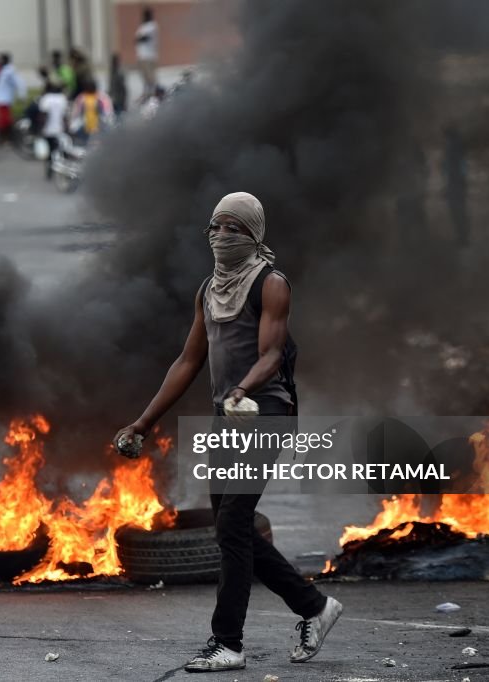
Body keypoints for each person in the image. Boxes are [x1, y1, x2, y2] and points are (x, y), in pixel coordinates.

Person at [113, 193, 343, 673]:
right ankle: (314, 607)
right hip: (227, 418)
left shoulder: (270, 283)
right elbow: (189, 360)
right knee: (230, 527)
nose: (221, 236)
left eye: (233, 228)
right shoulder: (209, 288)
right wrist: (143, 421)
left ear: (254, 233)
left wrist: (243, 388)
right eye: (216, 227)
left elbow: (272, 354)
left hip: (265, 412)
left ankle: (228, 643)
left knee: (233, 525)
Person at [38, 81, 68, 180]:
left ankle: (50, 171)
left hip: (48, 130)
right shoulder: (62, 98)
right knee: (60, 150)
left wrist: (42, 128)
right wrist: (66, 127)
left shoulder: (46, 99)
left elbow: (44, 115)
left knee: (50, 151)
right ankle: (62, 170)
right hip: (59, 129)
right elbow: (64, 116)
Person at [0, 52, 25, 141]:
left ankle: (9, 137)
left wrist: (22, 95)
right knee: (0, 121)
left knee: (4, 121)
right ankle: (5, 137)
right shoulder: (3, 70)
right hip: (0, 99)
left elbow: (20, 83)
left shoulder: (10, 71)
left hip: (4, 100)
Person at [69, 79, 112, 144]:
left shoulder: (101, 97)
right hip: (86, 128)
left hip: (99, 127)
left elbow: (107, 112)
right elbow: (76, 113)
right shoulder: (82, 98)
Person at [135, 7, 159, 95]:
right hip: (142, 56)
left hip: (149, 56)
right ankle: (146, 94)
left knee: (151, 78)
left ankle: (154, 94)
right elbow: (137, 39)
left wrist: (139, 38)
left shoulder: (152, 26)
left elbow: (143, 38)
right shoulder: (143, 26)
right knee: (144, 78)